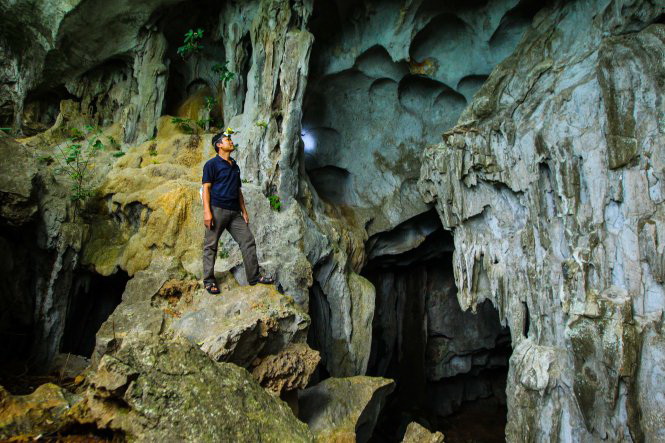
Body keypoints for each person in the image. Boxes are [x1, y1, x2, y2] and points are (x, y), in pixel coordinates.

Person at [201, 128, 274, 294]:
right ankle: (209, 280)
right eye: (227, 140)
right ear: (219, 145)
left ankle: (254, 277)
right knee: (210, 246)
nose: (231, 141)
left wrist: (244, 211)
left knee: (248, 240)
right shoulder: (211, 165)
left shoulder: (234, 165)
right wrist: (207, 212)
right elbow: (206, 188)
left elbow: (238, 190)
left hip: (234, 213)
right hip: (217, 209)